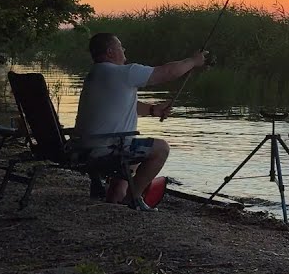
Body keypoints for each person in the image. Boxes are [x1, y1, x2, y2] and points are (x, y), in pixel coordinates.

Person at [74, 32, 207, 209]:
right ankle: (133, 199)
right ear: (110, 51)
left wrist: (153, 110)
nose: (124, 50)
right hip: (104, 150)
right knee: (160, 148)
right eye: (121, 46)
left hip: (82, 148)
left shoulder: (95, 74)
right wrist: (193, 61)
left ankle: (116, 196)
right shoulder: (124, 73)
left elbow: (124, 104)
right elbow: (166, 72)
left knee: (131, 148)